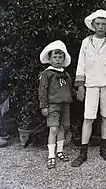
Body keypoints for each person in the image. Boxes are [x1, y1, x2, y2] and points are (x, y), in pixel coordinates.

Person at [71, 9, 106, 167]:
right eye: (97, 24)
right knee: (88, 117)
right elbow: (81, 64)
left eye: (103, 24)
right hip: (91, 85)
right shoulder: (86, 42)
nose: (100, 26)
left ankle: (104, 148)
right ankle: (83, 152)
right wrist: (80, 86)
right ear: (93, 25)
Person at [39, 40, 73, 169]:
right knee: (53, 129)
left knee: (63, 128)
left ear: (64, 59)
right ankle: (51, 156)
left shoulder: (65, 74)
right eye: (55, 57)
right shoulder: (47, 74)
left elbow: (68, 89)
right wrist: (44, 106)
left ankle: (59, 151)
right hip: (52, 105)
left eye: (60, 57)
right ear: (49, 58)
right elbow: (42, 90)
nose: (58, 60)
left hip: (65, 105)